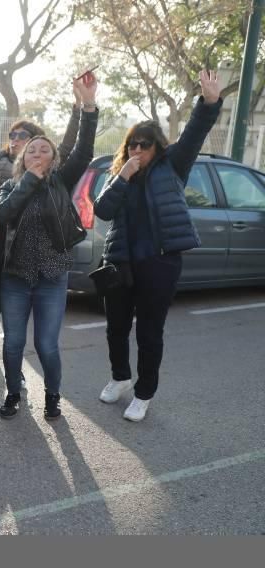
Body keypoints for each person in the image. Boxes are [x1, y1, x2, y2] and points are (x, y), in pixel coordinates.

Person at [94, 70, 221, 422]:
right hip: (119, 261)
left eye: (145, 143)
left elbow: (195, 132)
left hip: (159, 262)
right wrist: (123, 176)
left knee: (149, 331)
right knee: (115, 328)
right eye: (133, 143)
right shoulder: (117, 175)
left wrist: (209, 101)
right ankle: (121, 377)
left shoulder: (173, 165)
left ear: (157, 147)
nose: (138, 148)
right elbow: (103, 210)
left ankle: (144, 392)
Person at [0, 67, 82, 389]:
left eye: (22, 136)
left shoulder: (50, 170)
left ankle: (16, 374)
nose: (15, 140)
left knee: (13, 323)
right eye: (12, 135)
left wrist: (80, 107)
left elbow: (70, 145)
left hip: (21, 257)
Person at [0, 71, 99, 421]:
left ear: (54, 160)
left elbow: (84, 148)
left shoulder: (61, 182)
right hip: (15, 278)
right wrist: (28, 181)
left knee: (45, 346)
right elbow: (3, 214)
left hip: (52, 277)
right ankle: (13, 392)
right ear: (22, 159)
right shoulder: (12, 187)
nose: (38, 152)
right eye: (31, 150)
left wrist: (87, 105)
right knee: (11, 344)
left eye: (45, 149)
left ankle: (53, 395)